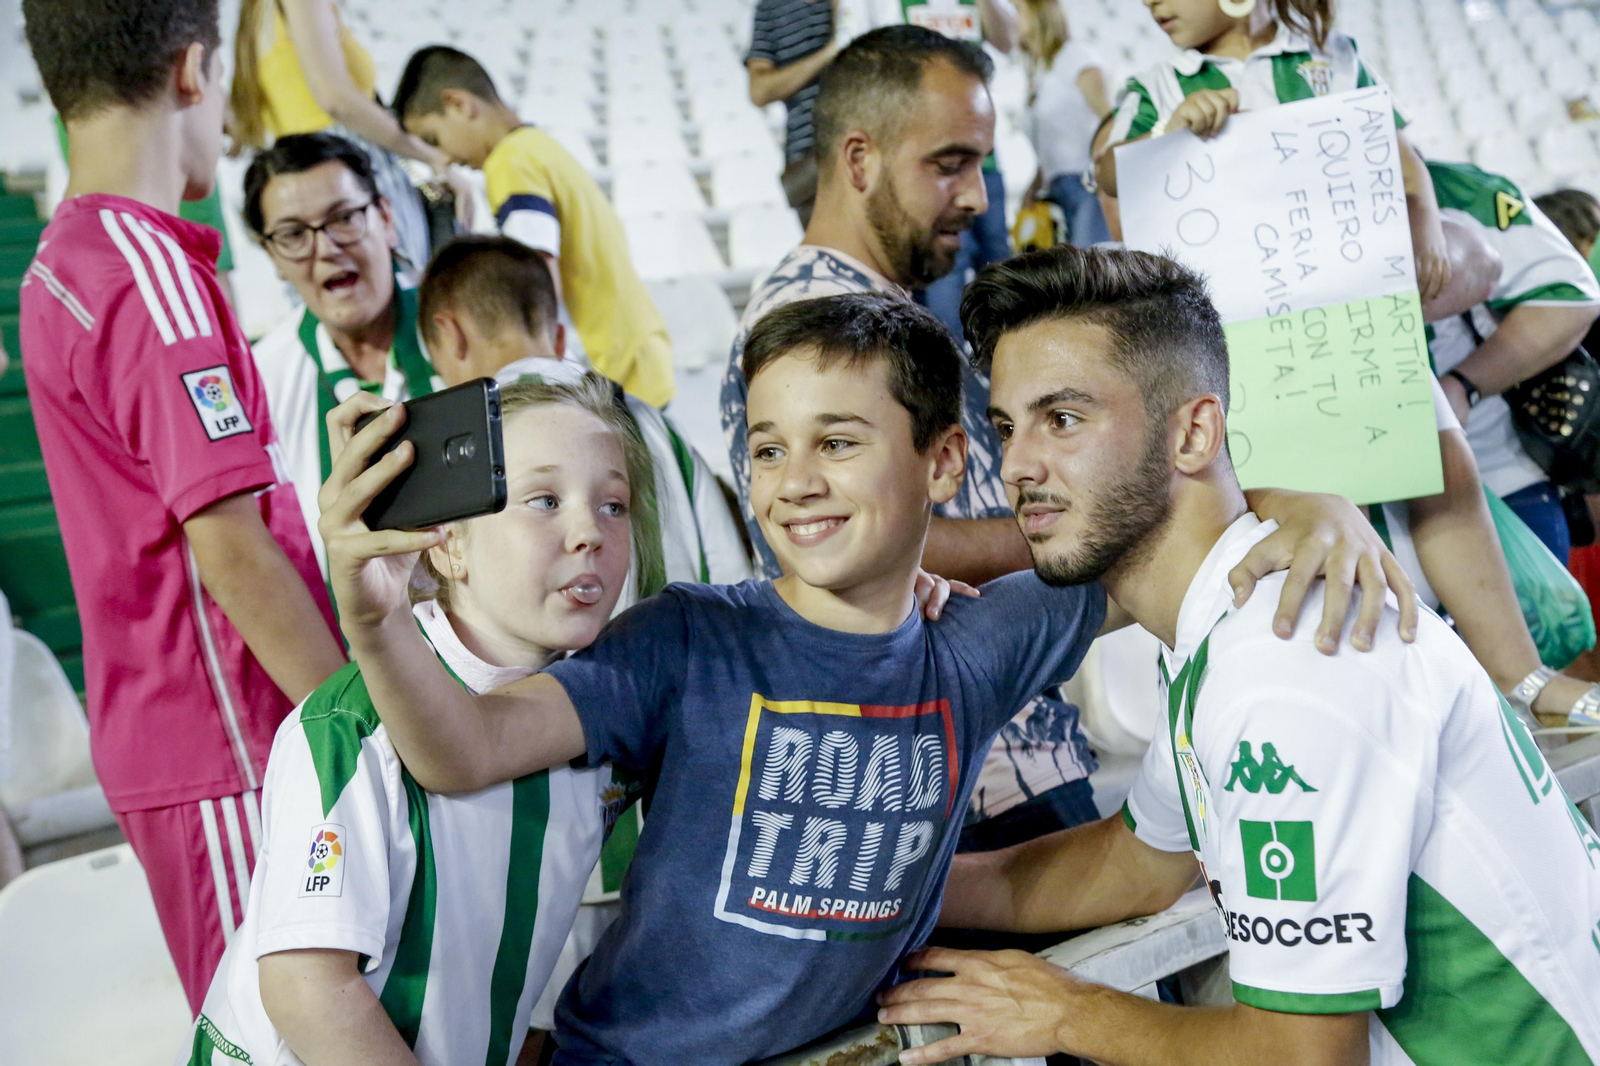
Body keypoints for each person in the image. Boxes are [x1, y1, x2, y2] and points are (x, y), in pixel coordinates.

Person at [319, 288, 1406, 1066]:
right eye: (767, 448)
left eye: (836, 441)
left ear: (939, 462)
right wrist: (372, 621)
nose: (794, 483)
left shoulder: (977, 649)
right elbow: (460, 749)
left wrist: (1306, 502)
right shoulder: (684, 640)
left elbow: (1165, 523)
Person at [876, 243, 1600, 1066]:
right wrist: (895, 887)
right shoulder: (1224, 625)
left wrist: (1065, 1012)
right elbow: (1137, 864)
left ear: (1193, 431)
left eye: (1063, 419)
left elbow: (1304, 1058)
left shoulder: (1286, 666)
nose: (1018, 465)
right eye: (1008, 426)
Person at [721, 26, 1385, 860]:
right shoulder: (806, 327)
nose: (976, 198)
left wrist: (1270, 505)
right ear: (859, 160)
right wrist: (1155, 518)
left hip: (1005, 753)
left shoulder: (885, 310)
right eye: (950, 162)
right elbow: (842, 551)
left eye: (982, 166)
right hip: (959, 784)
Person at [18, 0, 347, 1011]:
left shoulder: (62, 264)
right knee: (289, 1026)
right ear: (194, 72)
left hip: (186, 742)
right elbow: (232, 549)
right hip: (231, 739)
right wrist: (362, 724)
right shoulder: (144, 267)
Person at [185, 376, 658, 1066]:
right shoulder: (351, 727)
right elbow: (306, 987)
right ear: (448, 545)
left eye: (612, 504)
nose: (589, 532)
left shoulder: (600, 714)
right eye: (544, 501)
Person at [418, 235, 753, 600]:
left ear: (451, 336)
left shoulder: (473, 441)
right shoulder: (657, 424)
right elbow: (727, 565)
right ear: (560, 338)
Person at [1099, 0, 1451, 306]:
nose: (1149, 1)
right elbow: (1107, 175)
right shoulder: (1155, 86)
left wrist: (1427, 231)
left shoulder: (1337, 58)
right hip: (1230, 307)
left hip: (1349, 293)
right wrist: (1167, 131)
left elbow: (1401, 160)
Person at [392, 46, 676, 408]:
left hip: (609, 368)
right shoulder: (538, 146)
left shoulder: (510, 163)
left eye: (434, 139)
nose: (445, 158)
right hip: (637, 351)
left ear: (459, 105)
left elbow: (537, 278)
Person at [246, 132, 444, 579]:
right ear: (272, 255)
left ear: (386, 217)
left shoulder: (469, 324)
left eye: (344, 218)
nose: (326, 248)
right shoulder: (259, 381)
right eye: (293, 234)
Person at [1428, 162, 1600, 565]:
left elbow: (1574, 298)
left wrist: (1463, 384)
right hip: (1472, 475)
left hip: (1503, 469)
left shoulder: (1456, 193)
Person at [230, 0, 472, 272]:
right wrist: (435, 159)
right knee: (407, 291)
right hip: (349, 169)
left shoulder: (255, 13)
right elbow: (336, 100)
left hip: (309, 178)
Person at [845, 0, 1022, 339]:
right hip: (931, 164)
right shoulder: (889, 6)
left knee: (1002, 267)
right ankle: (954, 373)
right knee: (946, 276)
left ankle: (1004, 365)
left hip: (985, 161)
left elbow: (1009, 39)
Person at [1016, 0, 1112, 246]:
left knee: (1089, 267)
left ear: (1040, 16)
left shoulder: (1076, 55)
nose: (1013, 19)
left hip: (1086, 182)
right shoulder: (1040, 71)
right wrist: (1034, 184)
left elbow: (1109, 117)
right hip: (1056, 188)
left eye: (1019, 11)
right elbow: (1050, 139)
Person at [746, 0, 844, 227]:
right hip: (810, 156)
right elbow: (759, 90)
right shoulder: (770, 8)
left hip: (869, 137)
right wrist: (828, 54)